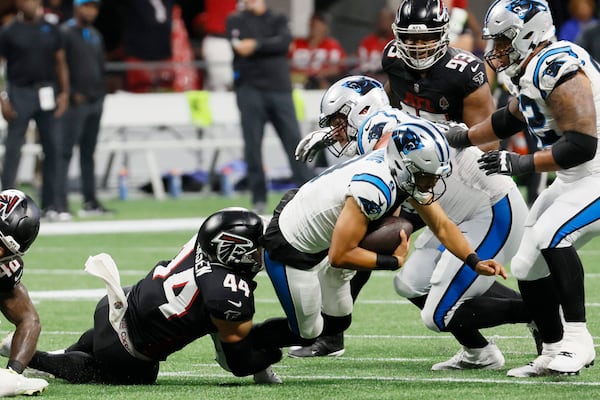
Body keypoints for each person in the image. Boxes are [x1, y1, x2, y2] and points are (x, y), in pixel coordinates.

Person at [292, 75, 533, 369]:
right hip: (453, 213)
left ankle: (541, 310)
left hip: (493, 209)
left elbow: (399, 214)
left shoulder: (392, 144)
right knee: (410, 284)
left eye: (338, 123)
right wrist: (327, 136)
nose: (335, 132)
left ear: (362, 112)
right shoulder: (384, 131)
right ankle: (479, 353)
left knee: (438, 314)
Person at [262, 112, 508, 354]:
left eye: (434, 177)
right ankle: (245, 343)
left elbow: (442, 225)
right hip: (291, 246)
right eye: (426, 177)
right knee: (307, 333)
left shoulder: (403, 171)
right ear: (407, 166)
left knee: (337, 323)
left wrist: (473, 260)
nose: (431, 184)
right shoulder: (375, 188)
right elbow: (339, 256)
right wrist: (393, 262)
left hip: (319, 234)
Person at [444, 0, 600, 377]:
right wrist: (463, 138)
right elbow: (511, 116)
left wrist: (521, 163)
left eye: (503, 41)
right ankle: (552, 349)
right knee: (527, 263)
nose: (496, 51)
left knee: (551, 235)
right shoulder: (532, 67)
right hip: (575, 177)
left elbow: (582, 144)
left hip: (596, 172)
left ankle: (579, 341)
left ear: (529, 34)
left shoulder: (555, 65)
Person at [6, 208, 283, 384]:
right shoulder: (224, 291)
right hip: (126, 349)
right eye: (255, 248)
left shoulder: (205, 240)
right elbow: (232, 359)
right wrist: (266, 360)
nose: (259, 254)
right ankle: (36, 359)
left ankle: (64, 351)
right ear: (233, 250)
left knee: (110, 336)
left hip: (120, 303)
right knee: (112, 373)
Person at [225, 0, 314, 214]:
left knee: (294, 141)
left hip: (280, 88)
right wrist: (267, 44)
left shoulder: (278, 18)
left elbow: (284, 43)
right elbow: (239, 47)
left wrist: (255, 44)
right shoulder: (235, 20)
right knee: (252, 146)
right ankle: (258, 198)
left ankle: (309, 192)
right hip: (250, 88)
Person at [0, 0, 69, 219]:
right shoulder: (9, 30)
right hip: (20, 92)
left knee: (53, 148)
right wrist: (3, 97)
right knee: (13, 149)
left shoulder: (51, 28)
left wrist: (65, 93)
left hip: (47, 91)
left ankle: (52, 205)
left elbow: (60, 62)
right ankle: (6, 206)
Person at [55, 0, 111, 218]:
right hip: (74, 103)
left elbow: (100, 66)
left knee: (88, 153)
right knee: (64, 152)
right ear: (77, 7)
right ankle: (59, 203)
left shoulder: (95, 34)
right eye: (87, 6)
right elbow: (59, 65)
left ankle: (91, 202)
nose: (92, 11)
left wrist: (101, 93)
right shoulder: (65, 32)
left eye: (96, 7)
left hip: (95, 101)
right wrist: (68, 94)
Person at [0, 189, 47, 397]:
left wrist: (13, 375)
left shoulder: (5, 268)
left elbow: (29, 320)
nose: (1, 254)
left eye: (6, 251)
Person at [288, 12, 347, 90]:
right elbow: (286, 64)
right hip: (297, 82)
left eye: (318, 26)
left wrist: (318, 74)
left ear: (325, 27)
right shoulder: (296, 44)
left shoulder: (332, 45)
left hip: (322, 82)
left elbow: (339, 67)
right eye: (312, 25)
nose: (315, 29)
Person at [355, 7, 395, 83]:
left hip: (389, 79)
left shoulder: (397, 41)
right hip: (367, 78)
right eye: (380, 19)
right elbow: (360, 63)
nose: (382, 22)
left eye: (385, 19)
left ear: (393, 21)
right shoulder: (367, 41)